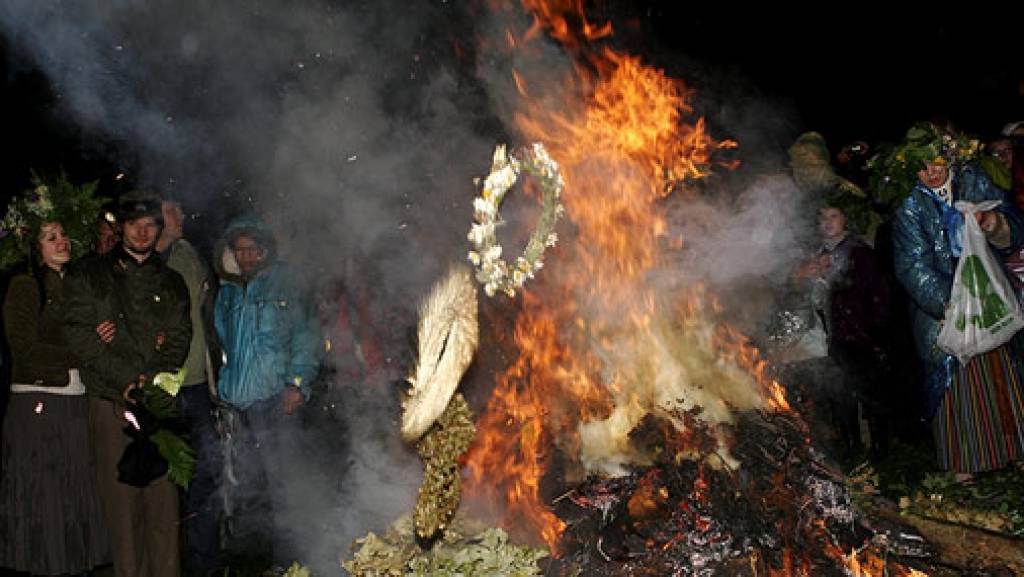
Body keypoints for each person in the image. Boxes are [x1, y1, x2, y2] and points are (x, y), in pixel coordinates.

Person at [63, 192, 191, 577]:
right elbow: (80, 335)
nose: (142, 231)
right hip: (111, 402)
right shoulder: (91, 274)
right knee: (122, 509)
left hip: (156, 402)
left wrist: (150, 383)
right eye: (134, 224)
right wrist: (125, 381)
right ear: (121, 227)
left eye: (150, 224)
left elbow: (180, 337)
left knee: (162, 507)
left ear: (159, 229)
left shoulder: (171, 281)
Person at [888, 122, 1024, 477]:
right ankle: (966, 469)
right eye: (921, 167)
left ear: (949, 157)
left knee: (1005, 376)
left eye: (936, 162)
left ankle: (1015, 453)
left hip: (992, 300)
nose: (931, 172)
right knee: (958, 391)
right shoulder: (909, 205)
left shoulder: (973, 179)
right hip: (946, 316)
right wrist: (950, 303)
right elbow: (911, 265)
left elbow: (1012, 227)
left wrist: (993, 223)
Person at [0, 178, 110, 575]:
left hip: (74, 403)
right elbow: (24, 349)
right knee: (45, 500)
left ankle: (75, 568)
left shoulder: (75, 285)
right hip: (38, 406)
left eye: (63, 234)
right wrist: (82, 350)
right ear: (35, 246)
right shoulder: (26, 285)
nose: (61, 241)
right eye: (51, 237)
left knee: (75, 495)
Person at [213, 214, 320, 566]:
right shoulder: (226, 292)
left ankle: (291, 563)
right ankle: (257, 563)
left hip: (275, 403)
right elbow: (221, 344)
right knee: (248, 491)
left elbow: (307, 337)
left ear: (264, 250)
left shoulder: (285, 283)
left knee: (284, 488)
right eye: (239, 249)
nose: (246, 256)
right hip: (237, 407)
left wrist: (297, 384)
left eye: (252, 249)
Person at [156, 195, 221, 574]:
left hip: (198, 387)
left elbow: (209, 317)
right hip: (164, 391)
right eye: (171, 211)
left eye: (181, 209)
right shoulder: (145, 262)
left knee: (204, 479)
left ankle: (205, 566)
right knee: (166, 487)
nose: (181, 216)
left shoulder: (191, 255)